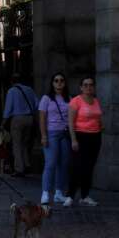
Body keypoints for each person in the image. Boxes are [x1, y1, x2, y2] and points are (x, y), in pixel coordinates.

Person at [66, 76, 103, 207]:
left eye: (91, 85)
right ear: (81, 87)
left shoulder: (96, 101)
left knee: (89, 167)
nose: (88, 87)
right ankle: (70, 196)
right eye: (85, 85)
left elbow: (98, 117)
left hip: (95, 137)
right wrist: (73, 139)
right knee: (76, 167)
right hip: (80, 136)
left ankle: (85, 195)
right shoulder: (76, 101)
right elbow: (70, 122)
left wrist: (100, 128)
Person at [38, 72, 70, 206]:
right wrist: (43, 135)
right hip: (51, 133)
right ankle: (45, 192)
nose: (59, 83)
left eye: (61, 80)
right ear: (52, 83)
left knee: (63, 164)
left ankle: (58, 193)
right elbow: (42, 118)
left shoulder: (69, 98)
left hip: (65, 133)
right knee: (50, 163)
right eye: (56, 81)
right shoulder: (46, 98)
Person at [2, 73, 38, 177]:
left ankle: (19, 168)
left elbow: (8, 108)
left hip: (17, 119)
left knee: (16, 144)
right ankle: (27, 164)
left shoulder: (12, 91)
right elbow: (37, 104)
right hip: (30, 118)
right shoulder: (29, 90)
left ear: (12, 81)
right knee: (25, 143)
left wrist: (3, 122)